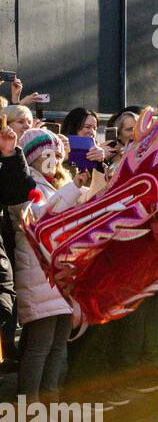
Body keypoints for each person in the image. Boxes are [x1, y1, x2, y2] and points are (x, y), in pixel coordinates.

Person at [9, 129, 90, 398]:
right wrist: (71, 189)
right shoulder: (24, 182)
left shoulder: (57, 184)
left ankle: (49, 400)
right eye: (48, 154)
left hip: (60, 275)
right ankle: (30, 404)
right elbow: (38, 219)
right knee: (39, 345)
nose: (54, 160)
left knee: (58, 345)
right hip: (38, 274)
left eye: (58, 154)